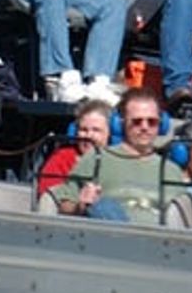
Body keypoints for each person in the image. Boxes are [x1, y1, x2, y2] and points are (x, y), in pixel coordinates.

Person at [52, 87, 166, 223]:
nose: (144, 127)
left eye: (152, 122)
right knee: (103, 206)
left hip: (161, 240)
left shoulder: (170, 170)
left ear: (161, 125)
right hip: (110, 237)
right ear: (119, 124)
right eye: (137, 121)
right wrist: (80, 206)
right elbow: (64, 204)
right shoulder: (96, 159)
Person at [35, 98, 111, 194]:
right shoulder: (63, 157)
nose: (88, 135)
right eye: (83, 130)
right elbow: (47, 192)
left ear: (109, 132)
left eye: (96, 130)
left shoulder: (118, 159)